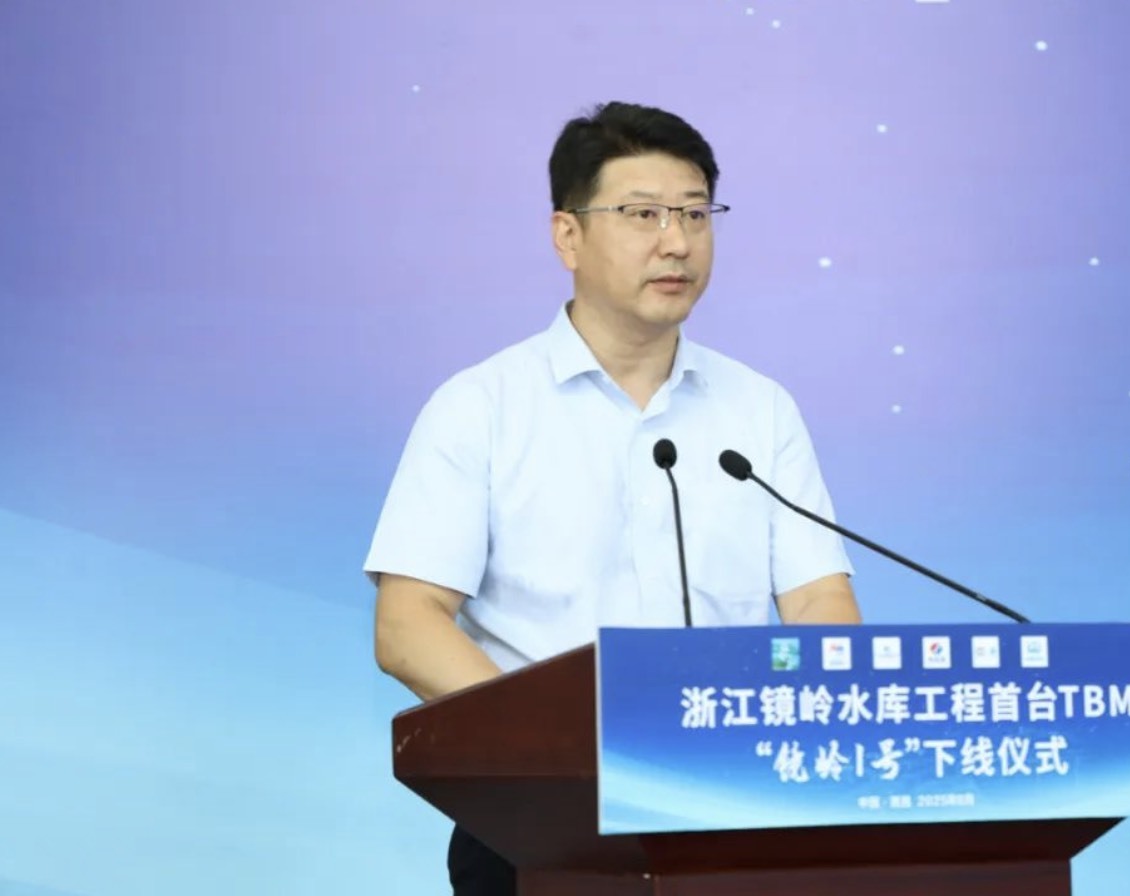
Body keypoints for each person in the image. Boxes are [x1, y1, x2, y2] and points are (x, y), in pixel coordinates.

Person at [365, 100, 861, 896]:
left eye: (695, 214)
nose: (677, 241)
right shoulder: (482, 407)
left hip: (733, 806)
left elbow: (818, 600)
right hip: (537, 824)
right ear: (568, 236)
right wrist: (557, 750)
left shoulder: (759, 409)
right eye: (642, 214)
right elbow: (407, 625)